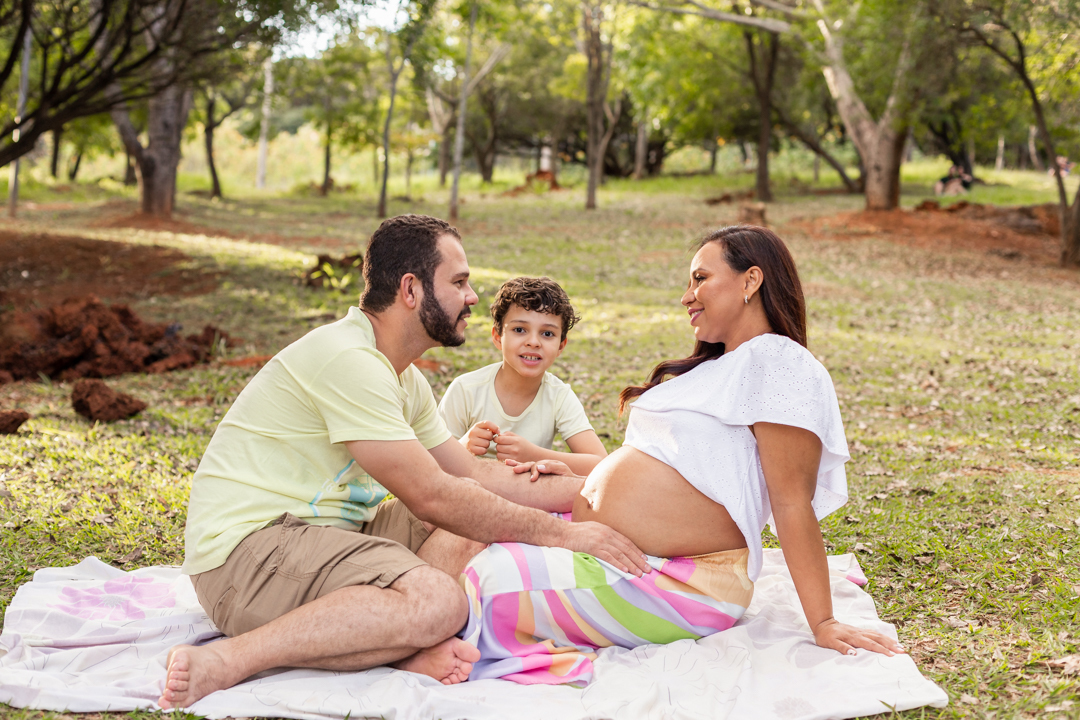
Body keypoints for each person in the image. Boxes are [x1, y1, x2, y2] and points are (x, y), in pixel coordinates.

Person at [158, 215, 650, 709]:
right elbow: (432, 495)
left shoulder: (405, 378)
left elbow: (473, 474)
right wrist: (565, 533)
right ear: (412, 290)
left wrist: (604, 488)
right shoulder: (348, 359)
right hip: (247, 556)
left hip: (326, 537)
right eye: (459, 282)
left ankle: (397, 638)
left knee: (478, 518)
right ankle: (229, 661)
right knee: (441, 602)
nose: (473, 296)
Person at [459, 225, 905, 685]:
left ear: (751, 282)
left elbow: (792, 502)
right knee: (475, 537)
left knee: (483, 583)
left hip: (683, 583)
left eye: (700, 279)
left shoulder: (777, 362)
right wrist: (576, 470)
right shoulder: (721, 366)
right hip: (624, 553)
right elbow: (673, 468)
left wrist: (824, 622)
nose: (686, 295)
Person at [438, 276, 607, 476]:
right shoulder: (465, 390)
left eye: (547, 334)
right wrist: (462, 447)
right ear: (497, 337)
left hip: (528, 495)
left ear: (561, 345)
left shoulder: (558, 396)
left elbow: (601, 464)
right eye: (520, 330)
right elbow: (429, 464)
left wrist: (533, 454)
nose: (533, 342)